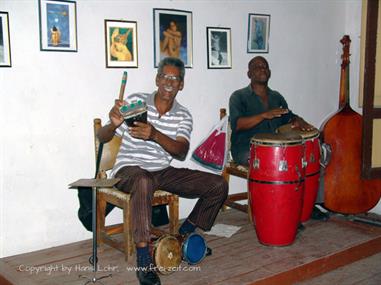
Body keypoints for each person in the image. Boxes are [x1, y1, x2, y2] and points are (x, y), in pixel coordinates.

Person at [97, 57, 228, 285]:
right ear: (157, 80)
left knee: (218, 185)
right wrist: (113, 124)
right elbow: (103, 137)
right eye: (165, 77)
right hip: (129, 170)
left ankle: (183, 235)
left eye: (175, 78)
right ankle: (144, 260)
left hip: (162, 171)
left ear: (181, 84)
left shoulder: (183, 114)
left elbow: (181, 151)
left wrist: (155, 134)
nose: (169, 82)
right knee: (144, 180)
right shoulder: (136, 101)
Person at [229, 56, 329, 222]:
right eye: (257, 66)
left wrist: (300, 121)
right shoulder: (238, 96)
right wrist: (263, 115)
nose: (262, 69)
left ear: (269, 72)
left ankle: (306, 206)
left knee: (312, 157)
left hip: (276, 150)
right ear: (249, 73)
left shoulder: (276, 97)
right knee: (279, 166)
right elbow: (238, 124)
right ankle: (278, 213)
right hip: (246, 148)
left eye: (265, 66)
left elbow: (288, 116)